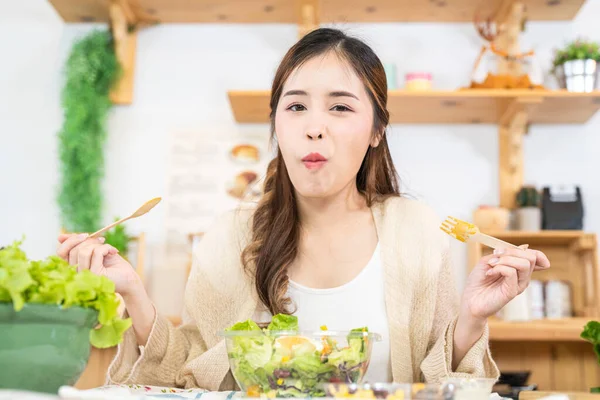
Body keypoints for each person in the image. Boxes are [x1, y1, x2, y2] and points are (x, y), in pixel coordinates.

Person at [57, 28, 550, 390]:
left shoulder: (417, 232)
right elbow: (188, 374)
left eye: (340, 107)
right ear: (276, 124)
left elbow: (440, 385)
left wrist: (471, 319)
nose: (315, 127)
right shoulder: (231, 235)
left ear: (377, 129)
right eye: (295, 107)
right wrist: (134, 295)